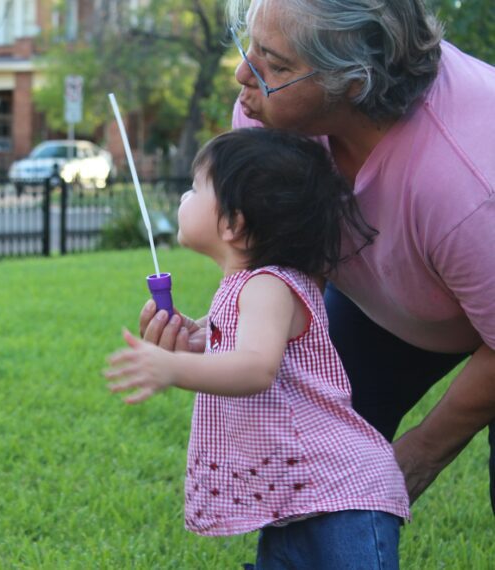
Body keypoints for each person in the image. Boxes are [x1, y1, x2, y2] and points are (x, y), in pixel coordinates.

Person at [140, 0, 495, 513]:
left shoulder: (468, 184)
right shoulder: (266, 110)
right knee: (309, 447)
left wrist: (418, 454)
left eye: (275, 65)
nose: (244, 75)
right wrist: (227, 331)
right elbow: (284, 252)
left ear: (353, 83)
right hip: (398, 298)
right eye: (251, 47)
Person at [105, 128, 409, 567]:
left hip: (342, 497)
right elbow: (238, 348)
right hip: (297, 497)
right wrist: (196, 341)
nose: (184, 199)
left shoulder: (267, 286)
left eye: (194, 189)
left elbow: (254, 369)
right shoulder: (245, 287)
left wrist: (171, 369)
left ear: (233, 224)